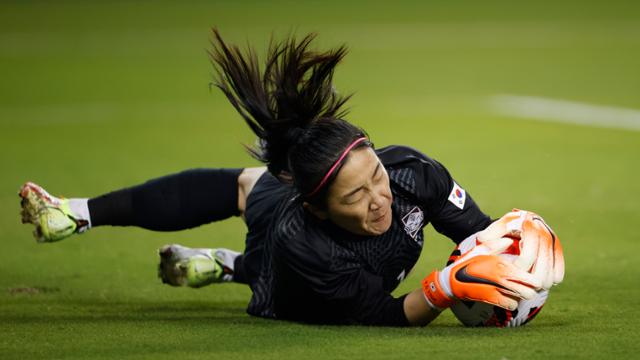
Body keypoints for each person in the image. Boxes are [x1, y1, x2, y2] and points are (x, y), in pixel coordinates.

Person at [19, 30, 563, 326]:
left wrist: (512, 249)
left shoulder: (410, 173)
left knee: (253, 181)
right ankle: (218, 262)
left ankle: (105, 222)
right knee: (258, 221)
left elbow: (476, 228)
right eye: (357, 195)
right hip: (293, 281)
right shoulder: (303, 239)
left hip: (303, 205)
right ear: (319, 206)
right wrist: (444, 288)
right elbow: (384, 313)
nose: (380, 200)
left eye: (375, 176)